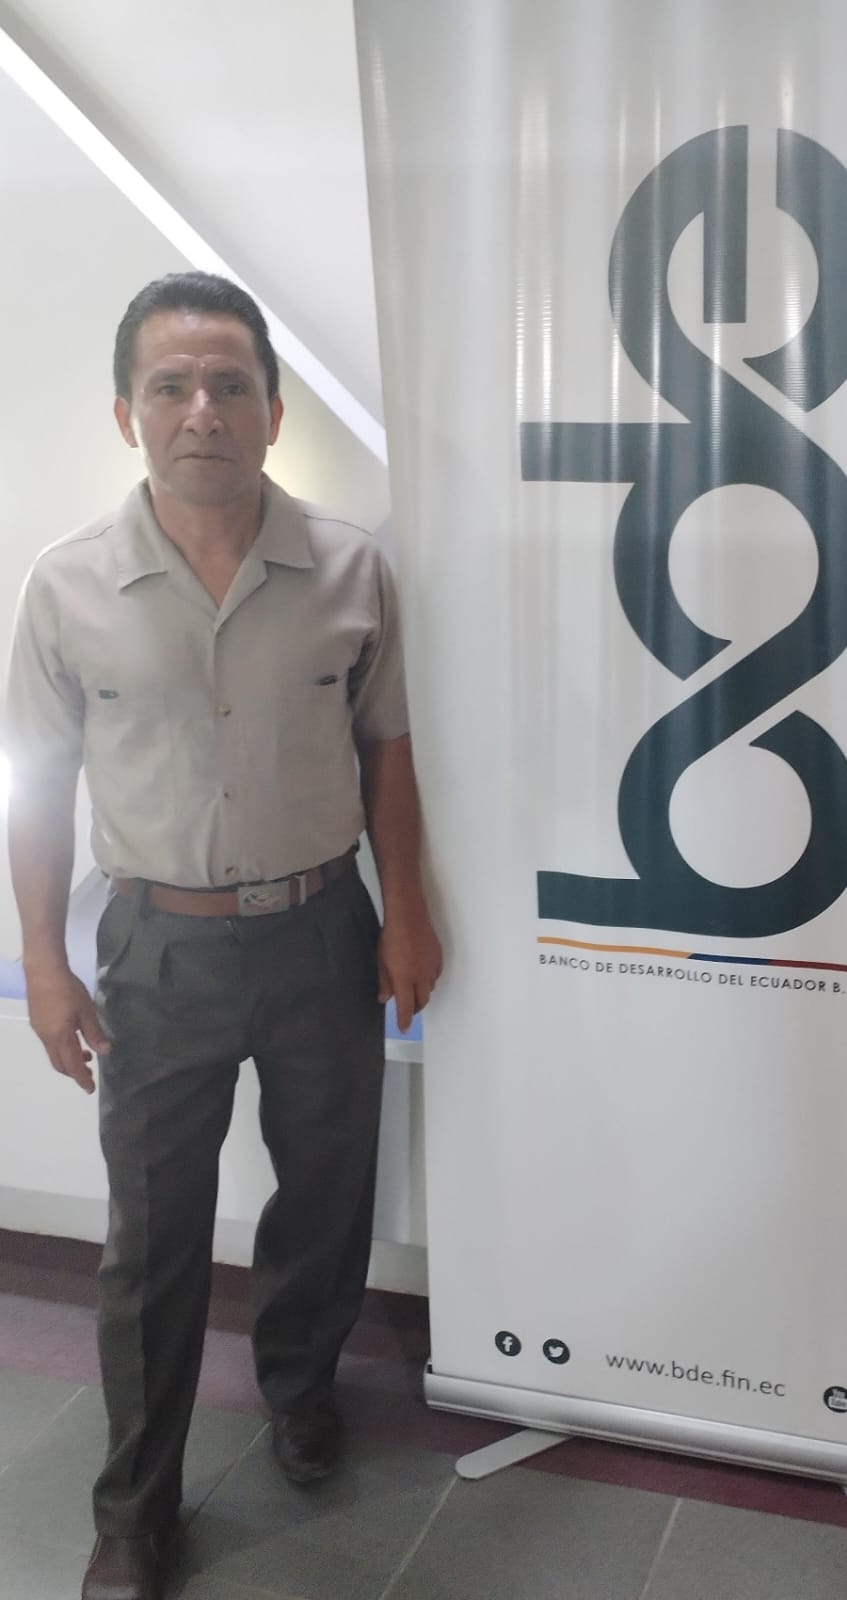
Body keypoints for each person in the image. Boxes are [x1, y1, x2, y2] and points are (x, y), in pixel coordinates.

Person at [5, 272, 443, 1600]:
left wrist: (409, 912)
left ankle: (303, 1390)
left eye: (230, 384)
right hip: (159, 951)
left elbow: (389, 749)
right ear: (128, 413)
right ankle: (136, 1508)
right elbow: (37, 786)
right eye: (172, 385)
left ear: (272, 410)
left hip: (322, 934)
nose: (203, 408)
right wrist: (44, 964)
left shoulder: (351, 568)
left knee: (327, 1190)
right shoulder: (65, 585)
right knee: (153, 1237)